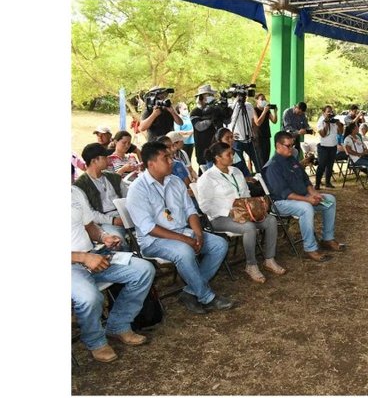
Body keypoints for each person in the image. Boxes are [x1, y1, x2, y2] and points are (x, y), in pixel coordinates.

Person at [126, 141, 234, 314]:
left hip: (182, 231)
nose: (171, 161)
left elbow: (191, 211)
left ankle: (190, 291)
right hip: (154, 241)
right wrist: (187, 240)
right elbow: (149, 228)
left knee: (219, 244)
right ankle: (207, 297)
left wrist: (198, 234)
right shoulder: (137, 189)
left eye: (170, 156)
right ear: (151, 163)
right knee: (184, 251)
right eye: (166, 158)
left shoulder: (175, 181)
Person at [71, 185, 155, 363]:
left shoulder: (75, 192)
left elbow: (88, 226)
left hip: (93, 255)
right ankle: (95, 342)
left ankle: (118, 325)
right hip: (73, 265)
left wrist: (103, 237)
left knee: (143, 270)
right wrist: (82, 257)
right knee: (89, 298)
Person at [196, 142, 285, 283]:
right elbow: (205, 206)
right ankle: (251, 265)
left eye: (232, 153)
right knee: (249, 227)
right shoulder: (207, 178)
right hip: (220, 217)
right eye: (228, 154)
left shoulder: (236, 172)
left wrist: (254, 207)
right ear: (218, 158)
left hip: (244, 212)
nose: (232, 156)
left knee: (271, 220)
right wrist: (229, 212)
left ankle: (269, 259)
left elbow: (246, 193)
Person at [263, 131, 344, 262]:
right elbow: (285, 193)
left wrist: (314, 193)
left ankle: (327, 239)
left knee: (330, 199)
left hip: (302, 197)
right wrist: (308, 199)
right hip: (281, 203)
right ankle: (310, 249)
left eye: (292, 145)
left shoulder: (292, 160)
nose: (292, 148)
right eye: (288, 146)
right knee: (306, 208)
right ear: (278, 146)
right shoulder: (273, 166)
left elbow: (306, 180)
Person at [74, 143, 129, 249]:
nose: (109, 160)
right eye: (105, 157)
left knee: (151, 229)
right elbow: (90, 214)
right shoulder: (80, 186)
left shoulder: (114, 178)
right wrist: (113, 220)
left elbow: (129, 198)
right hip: (106, 222)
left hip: (126, 215)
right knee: (117, 242)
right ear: (94, 161)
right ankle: (133, 263)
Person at [191, 84, 232, 171]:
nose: (210, 97)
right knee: (205, 172)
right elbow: (199, 127)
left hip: (217, 147)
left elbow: (227, 121)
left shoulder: (216, 109)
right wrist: (211, 117)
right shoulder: (196, 111)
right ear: (200, 98)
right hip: (203, 147)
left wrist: (224, 110)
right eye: (207, 95)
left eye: (211, 95)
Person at [227, 93, 259, 172]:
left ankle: (261, 179)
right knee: (240, 164)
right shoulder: (231, 106)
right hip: (237, 141)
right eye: (241, 95)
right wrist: (230, 135)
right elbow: (226, 122)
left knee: (257, 161)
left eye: (244, 95)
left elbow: (252, 121)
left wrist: (254, 134)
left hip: (249, 139)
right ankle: (246, 180)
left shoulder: (249, 105)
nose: (243, 97)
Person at [315, 105, 342, 190]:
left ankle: (327, 182)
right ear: (323, 112)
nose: (330, 113)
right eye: (328, 112)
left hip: (333, 146)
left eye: (331, 111)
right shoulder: (321, 121)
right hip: (323, 146)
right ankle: (317, 184)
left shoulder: (333, 120)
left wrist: (339, 124)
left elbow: (340, 133)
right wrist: (326, 123)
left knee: (330, 165)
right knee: (322, 165)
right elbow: (323, 134)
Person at [253, 93, 278, 168]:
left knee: (266, 157)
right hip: (258, 137)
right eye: (262, 99)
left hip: (267, 135)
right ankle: (261, 175)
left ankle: (266, 174)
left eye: (265, 99)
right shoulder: (254, 109)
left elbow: (274, 121)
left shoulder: (267, 110)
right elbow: (258, 123)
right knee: (261, 159)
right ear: (257, 101)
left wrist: (275, 112)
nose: (264, 101)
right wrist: (264, 111)